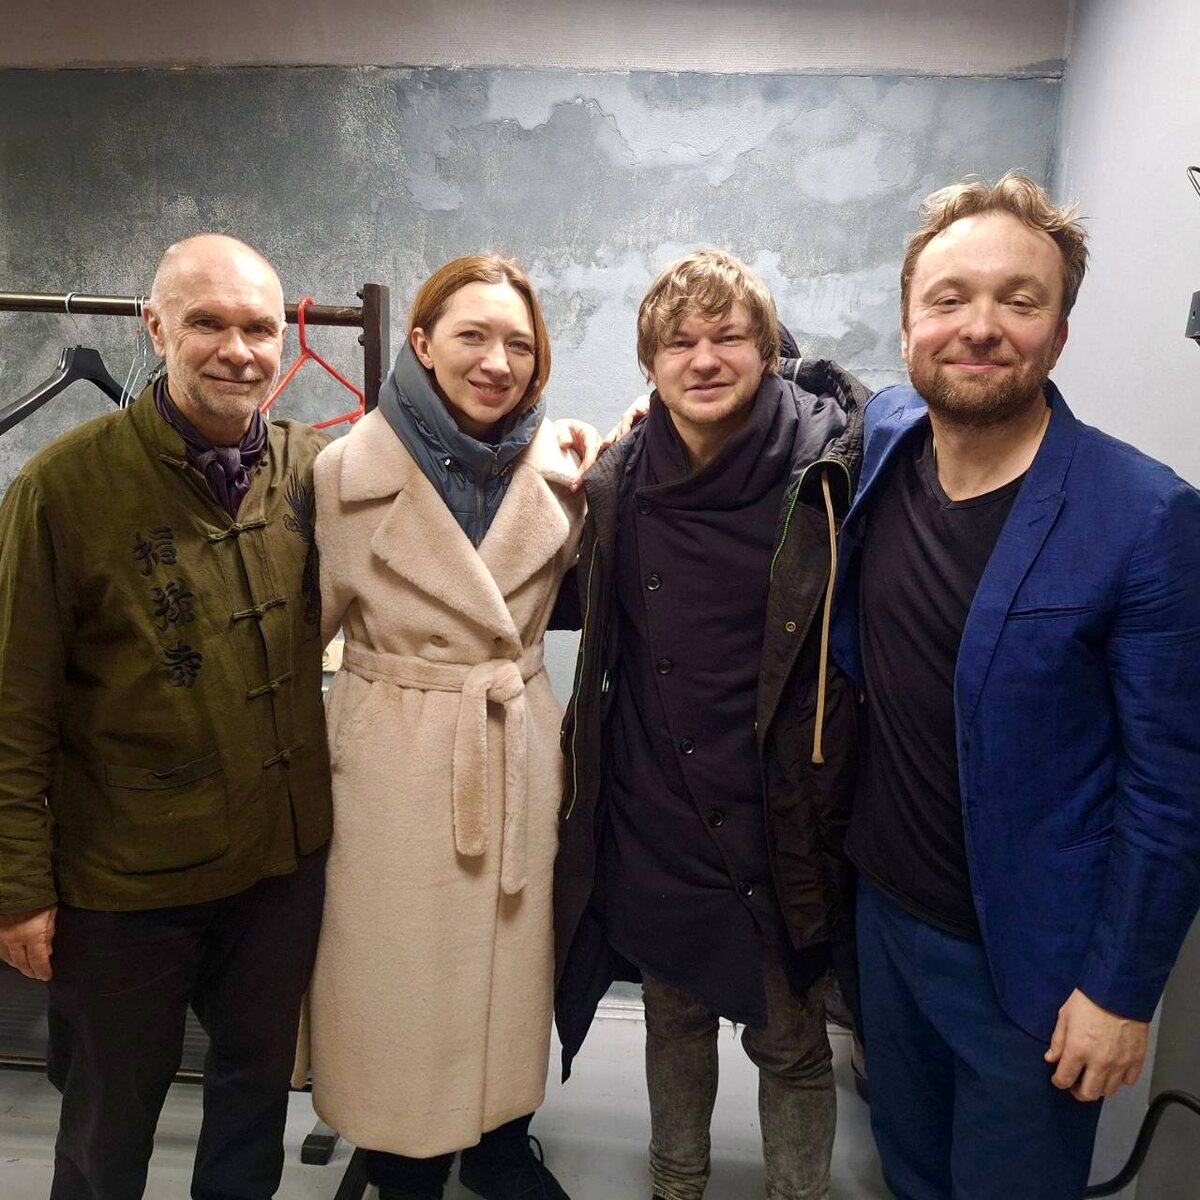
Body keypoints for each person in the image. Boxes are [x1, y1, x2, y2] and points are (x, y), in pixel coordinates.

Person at [829, 173, 1200, 1199]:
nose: (980, 327)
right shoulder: (886, 440)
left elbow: (1173, 788)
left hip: (1031, 968)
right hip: (884, 923)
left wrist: (1120, 992)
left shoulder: (1145, 517)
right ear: (909, 324)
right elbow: (782, 395)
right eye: (949, 298)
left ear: (1061, 333)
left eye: (1019, 300)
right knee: (909, 1170)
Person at [0, 233, 333, 1199]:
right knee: (107, 1124)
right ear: (155, 329)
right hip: (124, 884)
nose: (238, 350)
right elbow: (14, 707)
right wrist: (19, 888)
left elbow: (443, 481)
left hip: (277, 869)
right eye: (207, 324)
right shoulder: (63, 488)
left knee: (253, 1104)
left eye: (259, 328)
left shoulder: (312, 469)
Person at [554, 249, 867, 1200]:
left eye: (727, 336)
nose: (703, 359)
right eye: (678, 342)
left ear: (768, 348)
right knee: (674, 1019)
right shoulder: (619, 476)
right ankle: (674, 1184)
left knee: (792, 1044)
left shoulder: (830, 462)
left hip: (782, 810)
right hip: (660, 803)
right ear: (649, 362)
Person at [304, 254, 585, 1200]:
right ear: (422, 342)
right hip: (394, 758)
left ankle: (500, 1140)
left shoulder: (566, 474)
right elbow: (302, 639)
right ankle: (402, 1156)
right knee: (398, 970)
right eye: (472, 335)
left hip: (511, 742)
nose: (497, 362)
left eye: (519, 343)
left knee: (513, 957)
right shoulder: (343, 474)